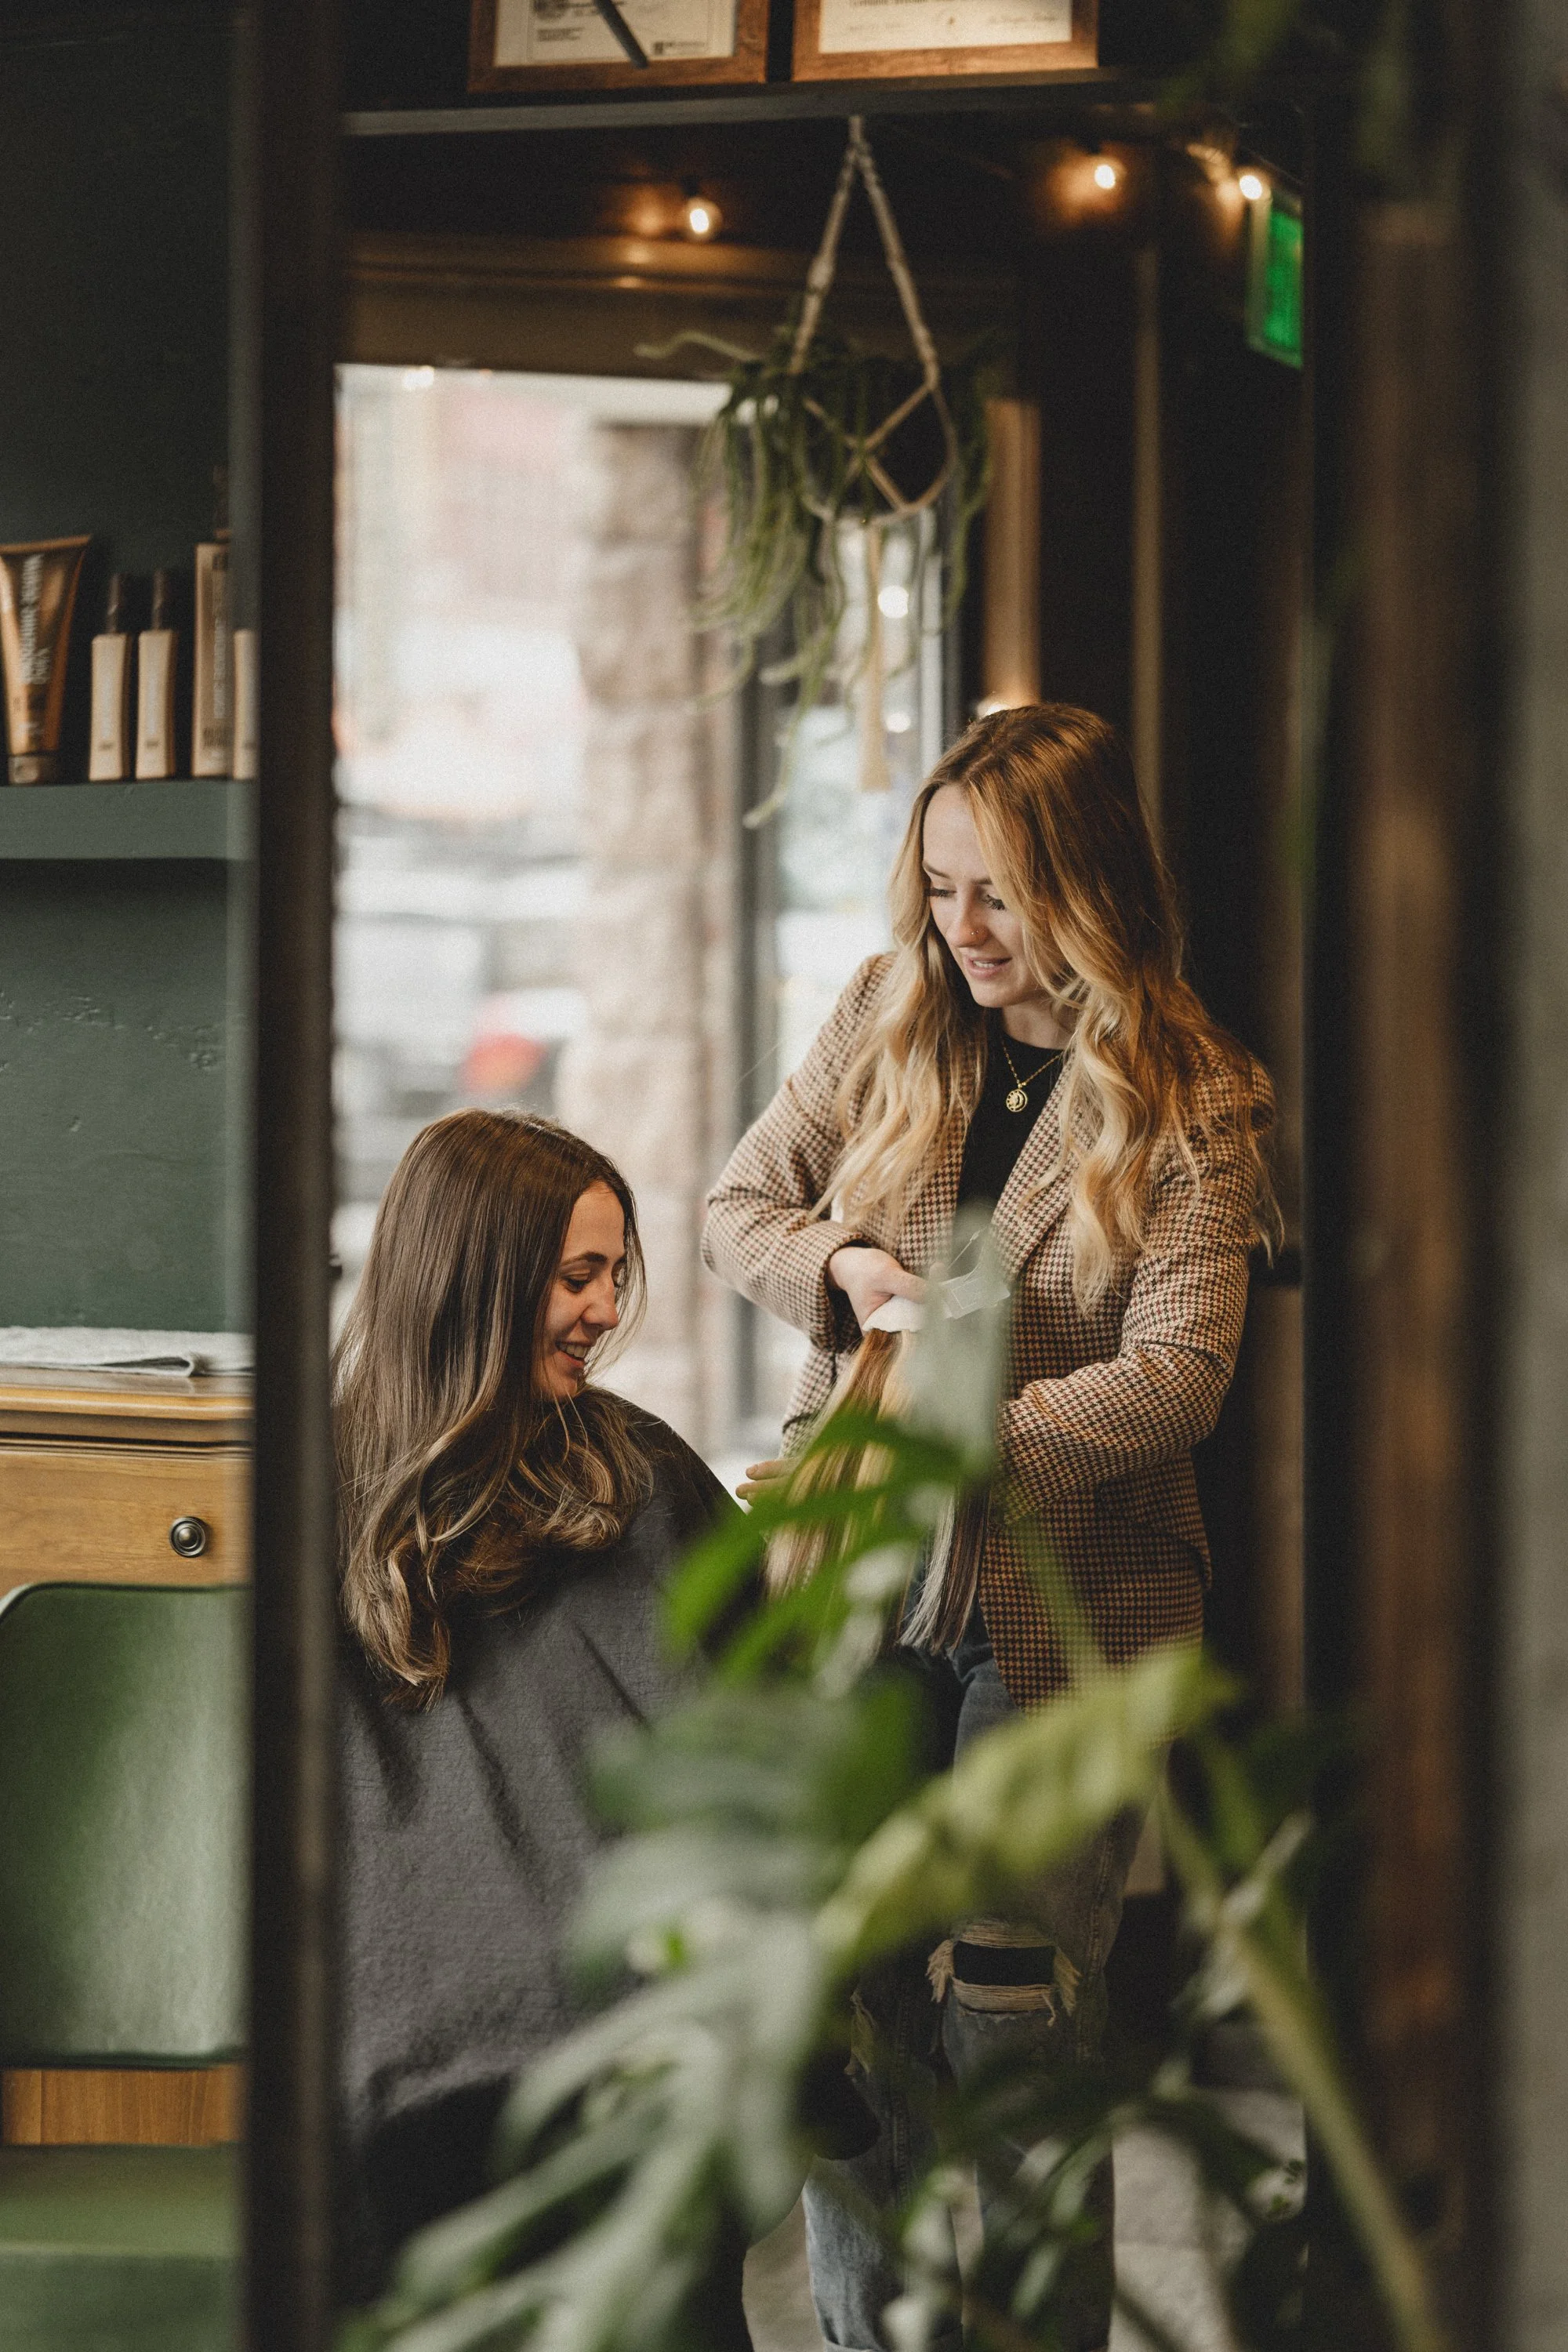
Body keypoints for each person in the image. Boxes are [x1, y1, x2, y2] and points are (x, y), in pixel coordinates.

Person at [703, 703, 1278, 2352]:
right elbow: (745, 1204)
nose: (961, 934)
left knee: (1016, 2034)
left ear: (1087, 890)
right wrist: (842, 1270)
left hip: (1070, 1603)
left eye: (1001, 899)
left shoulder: (1194, 1096)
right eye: (941, 889)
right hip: (864, 1588)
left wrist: (979, 1440)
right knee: (857, 2017)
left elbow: (1178, 1378)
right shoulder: (888, 1017)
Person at [332, 1109, 746, 2336]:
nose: (609, 1309)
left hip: (542, 2039)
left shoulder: (647, 1477)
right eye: (579, 1276)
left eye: (615, 1274)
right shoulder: (325, 1499)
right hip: (491, 2049)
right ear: (479, 1278)